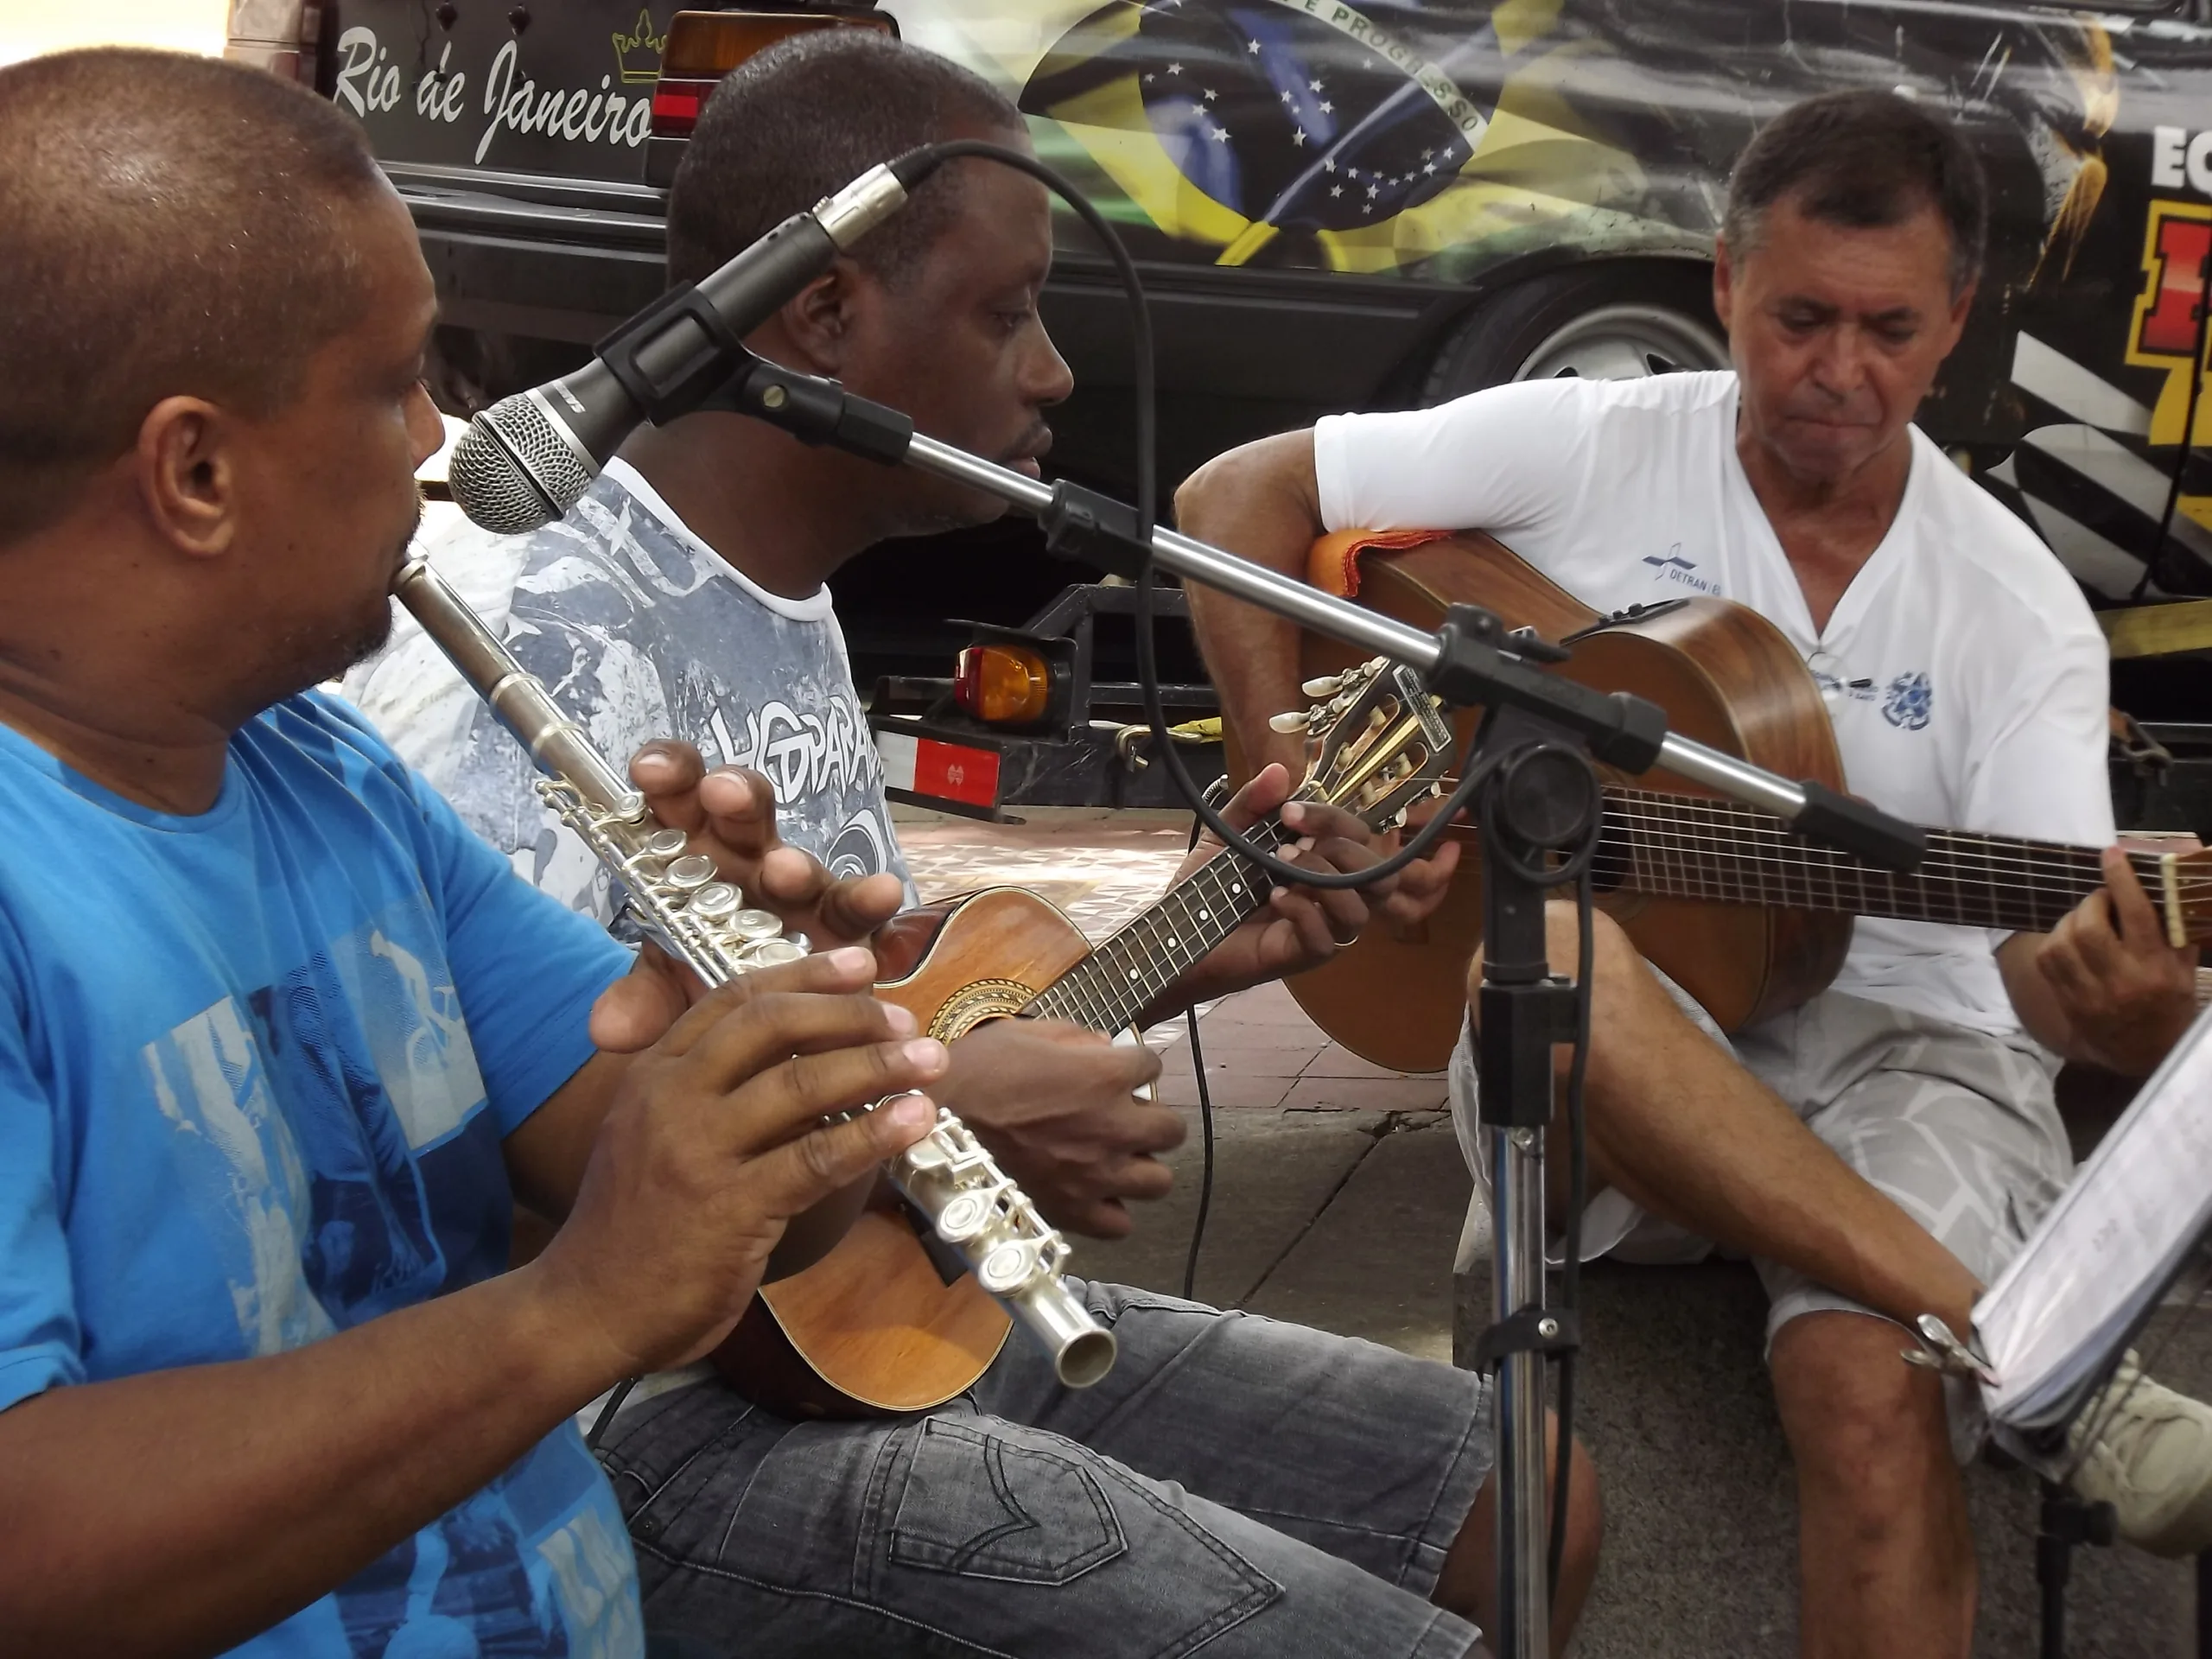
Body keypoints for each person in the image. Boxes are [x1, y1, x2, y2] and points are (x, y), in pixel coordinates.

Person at [350, 29, 1597, 1659]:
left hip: (861, 1302)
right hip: (615, 1422)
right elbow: (452, 1182)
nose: (1057, 370)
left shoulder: (784, 591)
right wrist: (911, 1129)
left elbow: (882, 1013)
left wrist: (1222, 937)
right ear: (821, 317)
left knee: (1524, 1484)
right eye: (1006, 312)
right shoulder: (541, 629)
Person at [1176, 88, 2212, 1658]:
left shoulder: (2017, 611)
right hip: (1602, 1050)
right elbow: (1231, 495)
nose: (1839, 372)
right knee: (1568, 955)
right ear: (1723, 284)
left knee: (1869, 1392)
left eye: (1888, 328)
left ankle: (1945, 1330)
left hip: (1908, 1052)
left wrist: (2122, 1018)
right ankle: (2027, 1352)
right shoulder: (1589, 445)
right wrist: (1298, 791)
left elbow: (2037, 971)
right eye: (1799, 318)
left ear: (1956, 328)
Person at [0, 46, 976, 1659]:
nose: (442, 439)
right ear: (195, 473)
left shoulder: (324, 769)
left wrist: (780, 1047)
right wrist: (571, 1311)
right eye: (392, 384)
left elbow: (733, 1227)